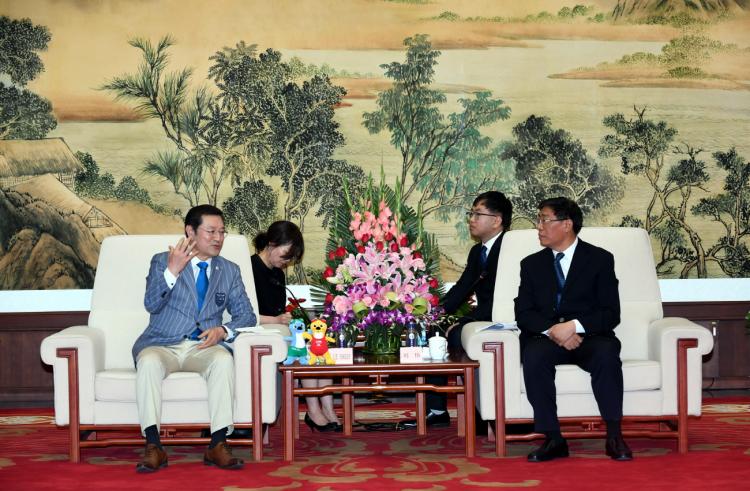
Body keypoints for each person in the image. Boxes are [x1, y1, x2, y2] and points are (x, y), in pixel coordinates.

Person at [132, 204, 255, 473]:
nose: (218, 238)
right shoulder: (161, 261)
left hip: (204, 346)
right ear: (190, 231)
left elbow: (247, 316)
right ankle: (154, 446)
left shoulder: (229, 270)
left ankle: (218, 444)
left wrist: (223, 331)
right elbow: (151, 304)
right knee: (148, 362)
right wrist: (172, 271)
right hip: (162, 343)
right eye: (211, 231)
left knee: (223, 360)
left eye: (222, 232)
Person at [515, 197, 632, 462]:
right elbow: (524, 313)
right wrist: (554, 331)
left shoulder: (600, 259)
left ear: (566, 224)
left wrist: (573, 327)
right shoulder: (531, 265)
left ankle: (614, 436)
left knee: (606, 354)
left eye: (544, 220)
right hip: (547, 338)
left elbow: (610, 313)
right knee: (533, 355)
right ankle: (553, 438)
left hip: (590, 337)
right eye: (539, 220)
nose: (539, 226)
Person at [399, 191, 512, 430]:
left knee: (453, 332)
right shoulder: (478, 251)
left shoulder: (510, 248)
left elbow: (505, 298)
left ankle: (481, 414)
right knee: (433, 330)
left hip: (504, 318)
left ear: (496, 220)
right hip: (483, 316)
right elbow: (462, 288)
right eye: (471, 213)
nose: (471, 219)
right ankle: (437, 410)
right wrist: (433, 313)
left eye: (477, 214)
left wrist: (464, 320)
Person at [252, 221, 341, 432]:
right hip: (262, 331)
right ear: (272, 243)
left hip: (278, 329)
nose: (287, 262)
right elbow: (246, 314)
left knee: (320, 345)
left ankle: (328, 409)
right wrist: (276, 320)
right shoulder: (250, 268)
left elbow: (278, 309)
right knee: (307, 349)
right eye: (286, 256)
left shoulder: (277, 273)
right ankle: (313, 410)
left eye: (291, 258)